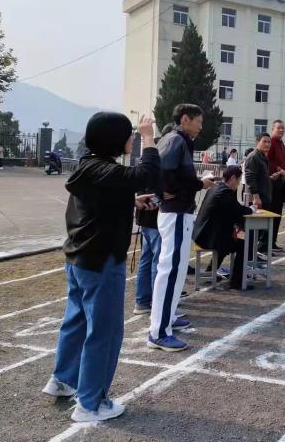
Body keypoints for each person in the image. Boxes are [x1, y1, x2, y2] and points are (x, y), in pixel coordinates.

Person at [42, 113, 159, 422]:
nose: (132, 138)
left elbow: (100, 201)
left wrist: (131, 202)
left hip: (79, 259)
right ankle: (91, 404)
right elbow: (146, 173)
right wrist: (149, 137)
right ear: (113, 138)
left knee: (77, 320)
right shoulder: (107, 171)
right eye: (129, 134)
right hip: (102, 260)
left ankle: (63, 379)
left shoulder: (88, 166)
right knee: (104, 331)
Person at [148, 104, 216, 352]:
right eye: (198, 121)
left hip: (178, 211)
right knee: (170, 269)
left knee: (175, 271)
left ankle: (169, 318)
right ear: (185, 119)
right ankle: (159, 331)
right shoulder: (176, 140)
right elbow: (159, 170)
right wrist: (196, 184)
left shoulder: (176, 140)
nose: (201, 126)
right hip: (175, 212)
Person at [133, 124, 175, 315]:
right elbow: (155, 186)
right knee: (157, 261)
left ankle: (142, 301)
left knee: (147, 258)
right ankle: (156, 305)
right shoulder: (160, 155)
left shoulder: (151, 153)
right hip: (154, 215)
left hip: (146, 215)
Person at [192, 165, 256, 290]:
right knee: (243, 245)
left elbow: (231, 210)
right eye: (238, 180)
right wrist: (251, 209)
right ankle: (237, 282)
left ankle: (211, 271)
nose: (238, 184)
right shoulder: (224, 193)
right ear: (233, 178)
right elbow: (237, 210)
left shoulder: (216, 188)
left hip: (202, 233)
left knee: (226, 238)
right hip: (209, 238)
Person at [244, 132, 274, 253]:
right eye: (264, 141)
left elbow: (260, 177)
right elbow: (250, 177)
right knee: (252, 229)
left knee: (260, 229)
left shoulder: (262, 157)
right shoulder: (253, 157)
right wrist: (256, 197)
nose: (267, 144)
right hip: (257, 199)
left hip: (264, 197)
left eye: (269, 142)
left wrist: (270, 178)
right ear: (257, 142)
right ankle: (249, 255)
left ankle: (255, 253)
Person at [267, 120, 285, 252]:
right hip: (272, 182)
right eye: (279, 128)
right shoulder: (270, 142)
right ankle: (266, 242)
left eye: (283, 128)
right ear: (273, 129)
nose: (281, 130)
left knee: (277, 213)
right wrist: (280, 170)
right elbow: (268, 161)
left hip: (280, 182)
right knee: (272, 213)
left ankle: (272, 241)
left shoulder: (281, 143)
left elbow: (284, 162)